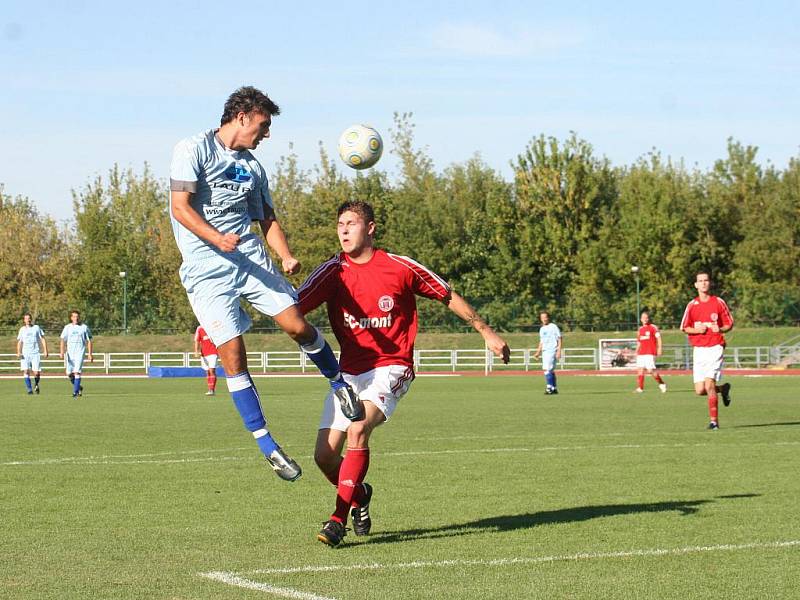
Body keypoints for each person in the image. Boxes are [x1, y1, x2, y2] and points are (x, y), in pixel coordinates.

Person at [169, 85, 358, 482]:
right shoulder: (193, 149)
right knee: (233, 355)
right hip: (205, 270)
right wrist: (216, 238)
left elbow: (267, 220)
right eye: (263, 124)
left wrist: (285, 254)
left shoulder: (253, 167)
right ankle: (267, 445)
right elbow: (180, 207)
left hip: (250, 258)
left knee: (296, 325)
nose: (266, 133)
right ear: (242, 117)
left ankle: (339, 383)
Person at [297, 200, 510, 547]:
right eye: (340, 224)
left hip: (391, 365)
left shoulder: (399, 267)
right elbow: (293, 307)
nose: (344, 230)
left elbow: (447, 294)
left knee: (358, 427)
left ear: (370, 228)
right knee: (323, 456)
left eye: (352, 223)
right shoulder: (331, 273)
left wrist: (486, 331)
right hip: (348, 373)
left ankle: (337, 519)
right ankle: (360, 495)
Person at [680, 271, 734, 430]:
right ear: (696, 285)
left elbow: (729, 323)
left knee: (709, 384)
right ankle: (723, 389)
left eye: (706, 280)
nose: (703, 283)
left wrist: (721, 328)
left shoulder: (718, 302)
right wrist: (698, 330)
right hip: (699, 350)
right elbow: (684, 328)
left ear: (709, 283)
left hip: (715, 347)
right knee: (700, 390)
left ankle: (714, 422)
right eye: (700, 281)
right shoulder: (692, 305)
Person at [59, 310, 93, 398]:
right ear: (71, 318)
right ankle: (78, 387)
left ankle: (75, 392)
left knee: (77, 372)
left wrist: (90, 354)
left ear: (79, 317)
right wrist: (62, 351)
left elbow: (89, 341)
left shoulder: (84, 327)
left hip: (80, 353)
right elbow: (63, 340)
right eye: (74, 316)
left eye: (77, 316)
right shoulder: (67, 327)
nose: (76, 318)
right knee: (69, 374)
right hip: (70, 354)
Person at [634, 309, 667, 393]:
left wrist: (659, 348)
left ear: (648, 319)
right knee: (640, 370)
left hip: (650, 352)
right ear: (641, 319)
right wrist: (636, 351)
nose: (645, 319)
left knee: (650, 370)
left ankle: (662, 383)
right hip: (641, 353)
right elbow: (639, 342)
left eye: (646, 318)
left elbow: (659, 338)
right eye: (643, 317)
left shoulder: (653, 327)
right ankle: (640, 388)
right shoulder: (640, 329)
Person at [17, 313, 48, 395]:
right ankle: (29, 389)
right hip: (25, 354)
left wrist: (45, 350)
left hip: (35, 353)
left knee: (36, 373)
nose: (28, 320)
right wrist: (18, 352)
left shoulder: (36, 328)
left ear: (31, 319)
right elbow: (19, 342)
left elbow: (42, 339)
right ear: (24, 320)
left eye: (29, 318)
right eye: (26, 318)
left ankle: (36, 384)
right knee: (26, 371)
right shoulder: (22, 329)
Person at [533, 311, 561, 394]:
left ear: (548, 318)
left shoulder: (553, 326)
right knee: (551, 370)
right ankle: (554, 388)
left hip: (552, 350)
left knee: (546, 369)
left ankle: (549, 387)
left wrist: (559, 350)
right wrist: (538, 352)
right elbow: (542, 341)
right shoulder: (542, 329)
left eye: (545, 317)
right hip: (545, 351)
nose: (544, 319)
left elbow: (559, 338)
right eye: (542, 318)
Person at [194, 324, 219, 396]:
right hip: (204, 354)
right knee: (207, 372)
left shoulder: (213, 326)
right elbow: (197, 340)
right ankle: (210, 389)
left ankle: (212, 389)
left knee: (212, 370)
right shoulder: (199, 328)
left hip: (213, 352)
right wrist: (196, 351)